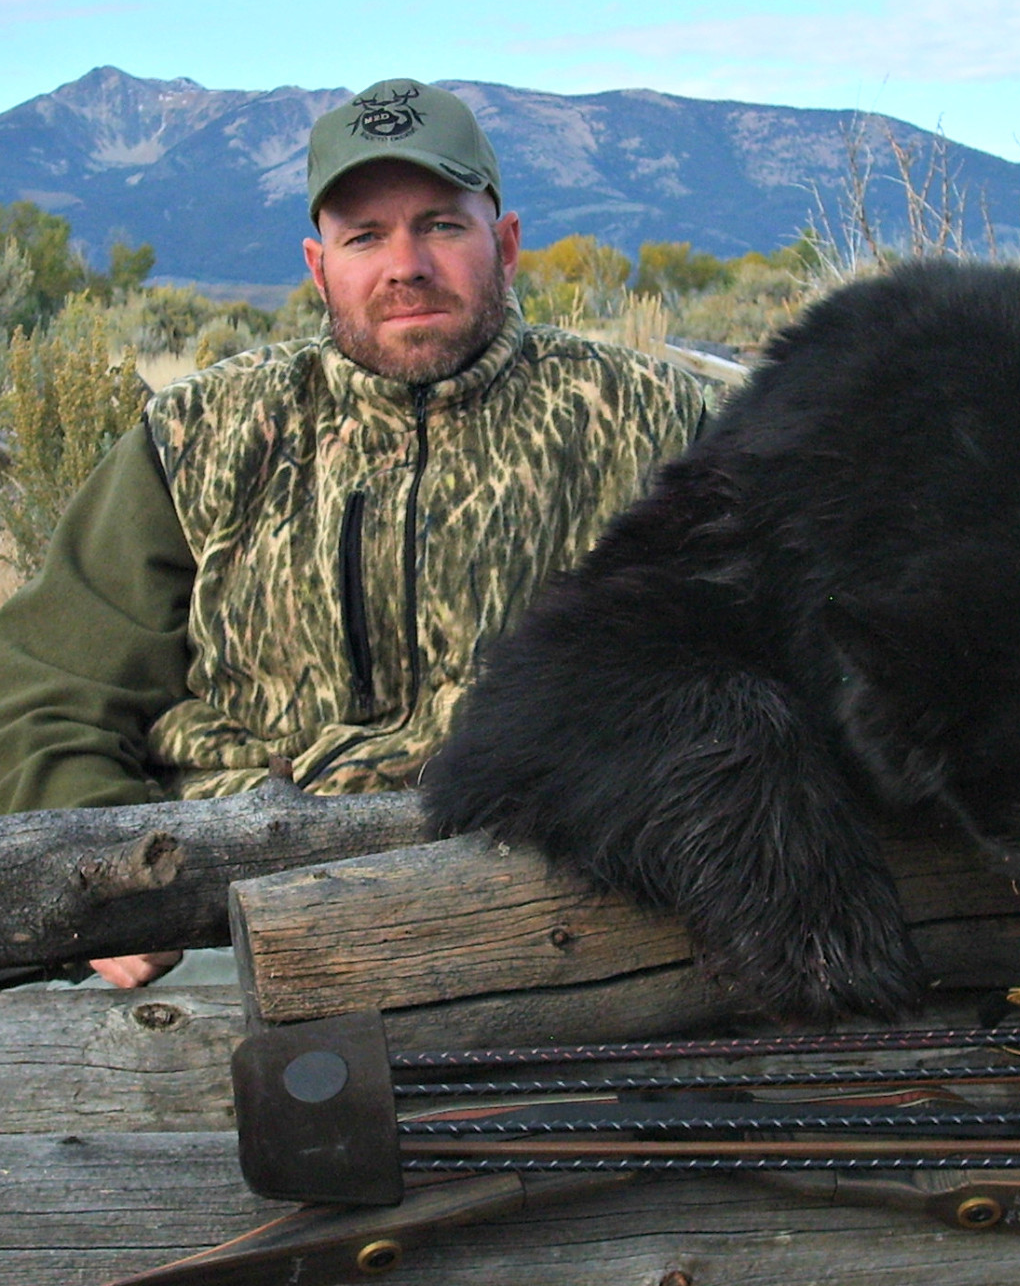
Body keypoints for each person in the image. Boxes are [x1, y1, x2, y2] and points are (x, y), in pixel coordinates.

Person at [0, 78, 707, 985]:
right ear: (316, 265)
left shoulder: (657, 422)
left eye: (441, 225)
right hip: (232, 910)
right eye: (364, 237)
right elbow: (51, 682)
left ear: (508, 242)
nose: (404, 263)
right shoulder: (201, 435)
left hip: (570, 905)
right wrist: (105, 882)